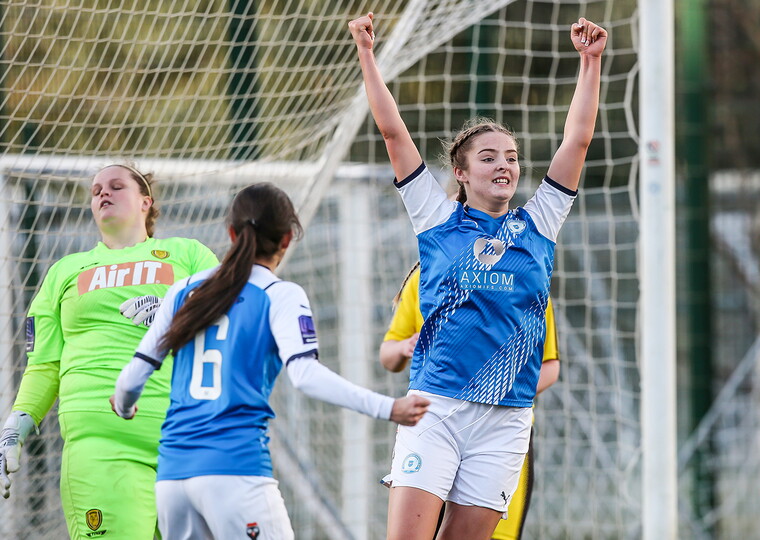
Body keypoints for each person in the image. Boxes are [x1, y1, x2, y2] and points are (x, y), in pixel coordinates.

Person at [349, 11, 605, 540]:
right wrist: (368, 55)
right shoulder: (437, 219)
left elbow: (577, 142)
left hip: (507, 420)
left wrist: (591, 63)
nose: (504, 166)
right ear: (461, 173)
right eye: (488, 158)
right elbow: (392, 131)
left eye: (511, 157)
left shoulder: (539, 224)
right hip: (436, 408)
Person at [110, 182, 430, 540]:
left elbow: (131, 379)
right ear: (287, 239)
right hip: (235, 471)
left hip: (172, 479)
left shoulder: (184, 290)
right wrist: (390, 407)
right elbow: (306, 376)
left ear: (231, 233)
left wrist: (124, 407)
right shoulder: (280, 295)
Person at [0, 164, 219, 539]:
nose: (103, 193)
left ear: (145, 202)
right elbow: (44, 364)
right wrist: (15, 426)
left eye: (117, 186)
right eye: (96, 189)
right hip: (101, 443)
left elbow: (231, 318)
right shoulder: (64, 271)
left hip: (190, 440)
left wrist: (176, 313)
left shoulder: (189, 254)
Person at [380, 262, 561, 540]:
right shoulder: (427, 273)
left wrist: (498, 391)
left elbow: (550, 366)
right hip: (436, 425)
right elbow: (389, 355)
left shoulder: (528, 275)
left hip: (502, 433)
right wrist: (404, 347)